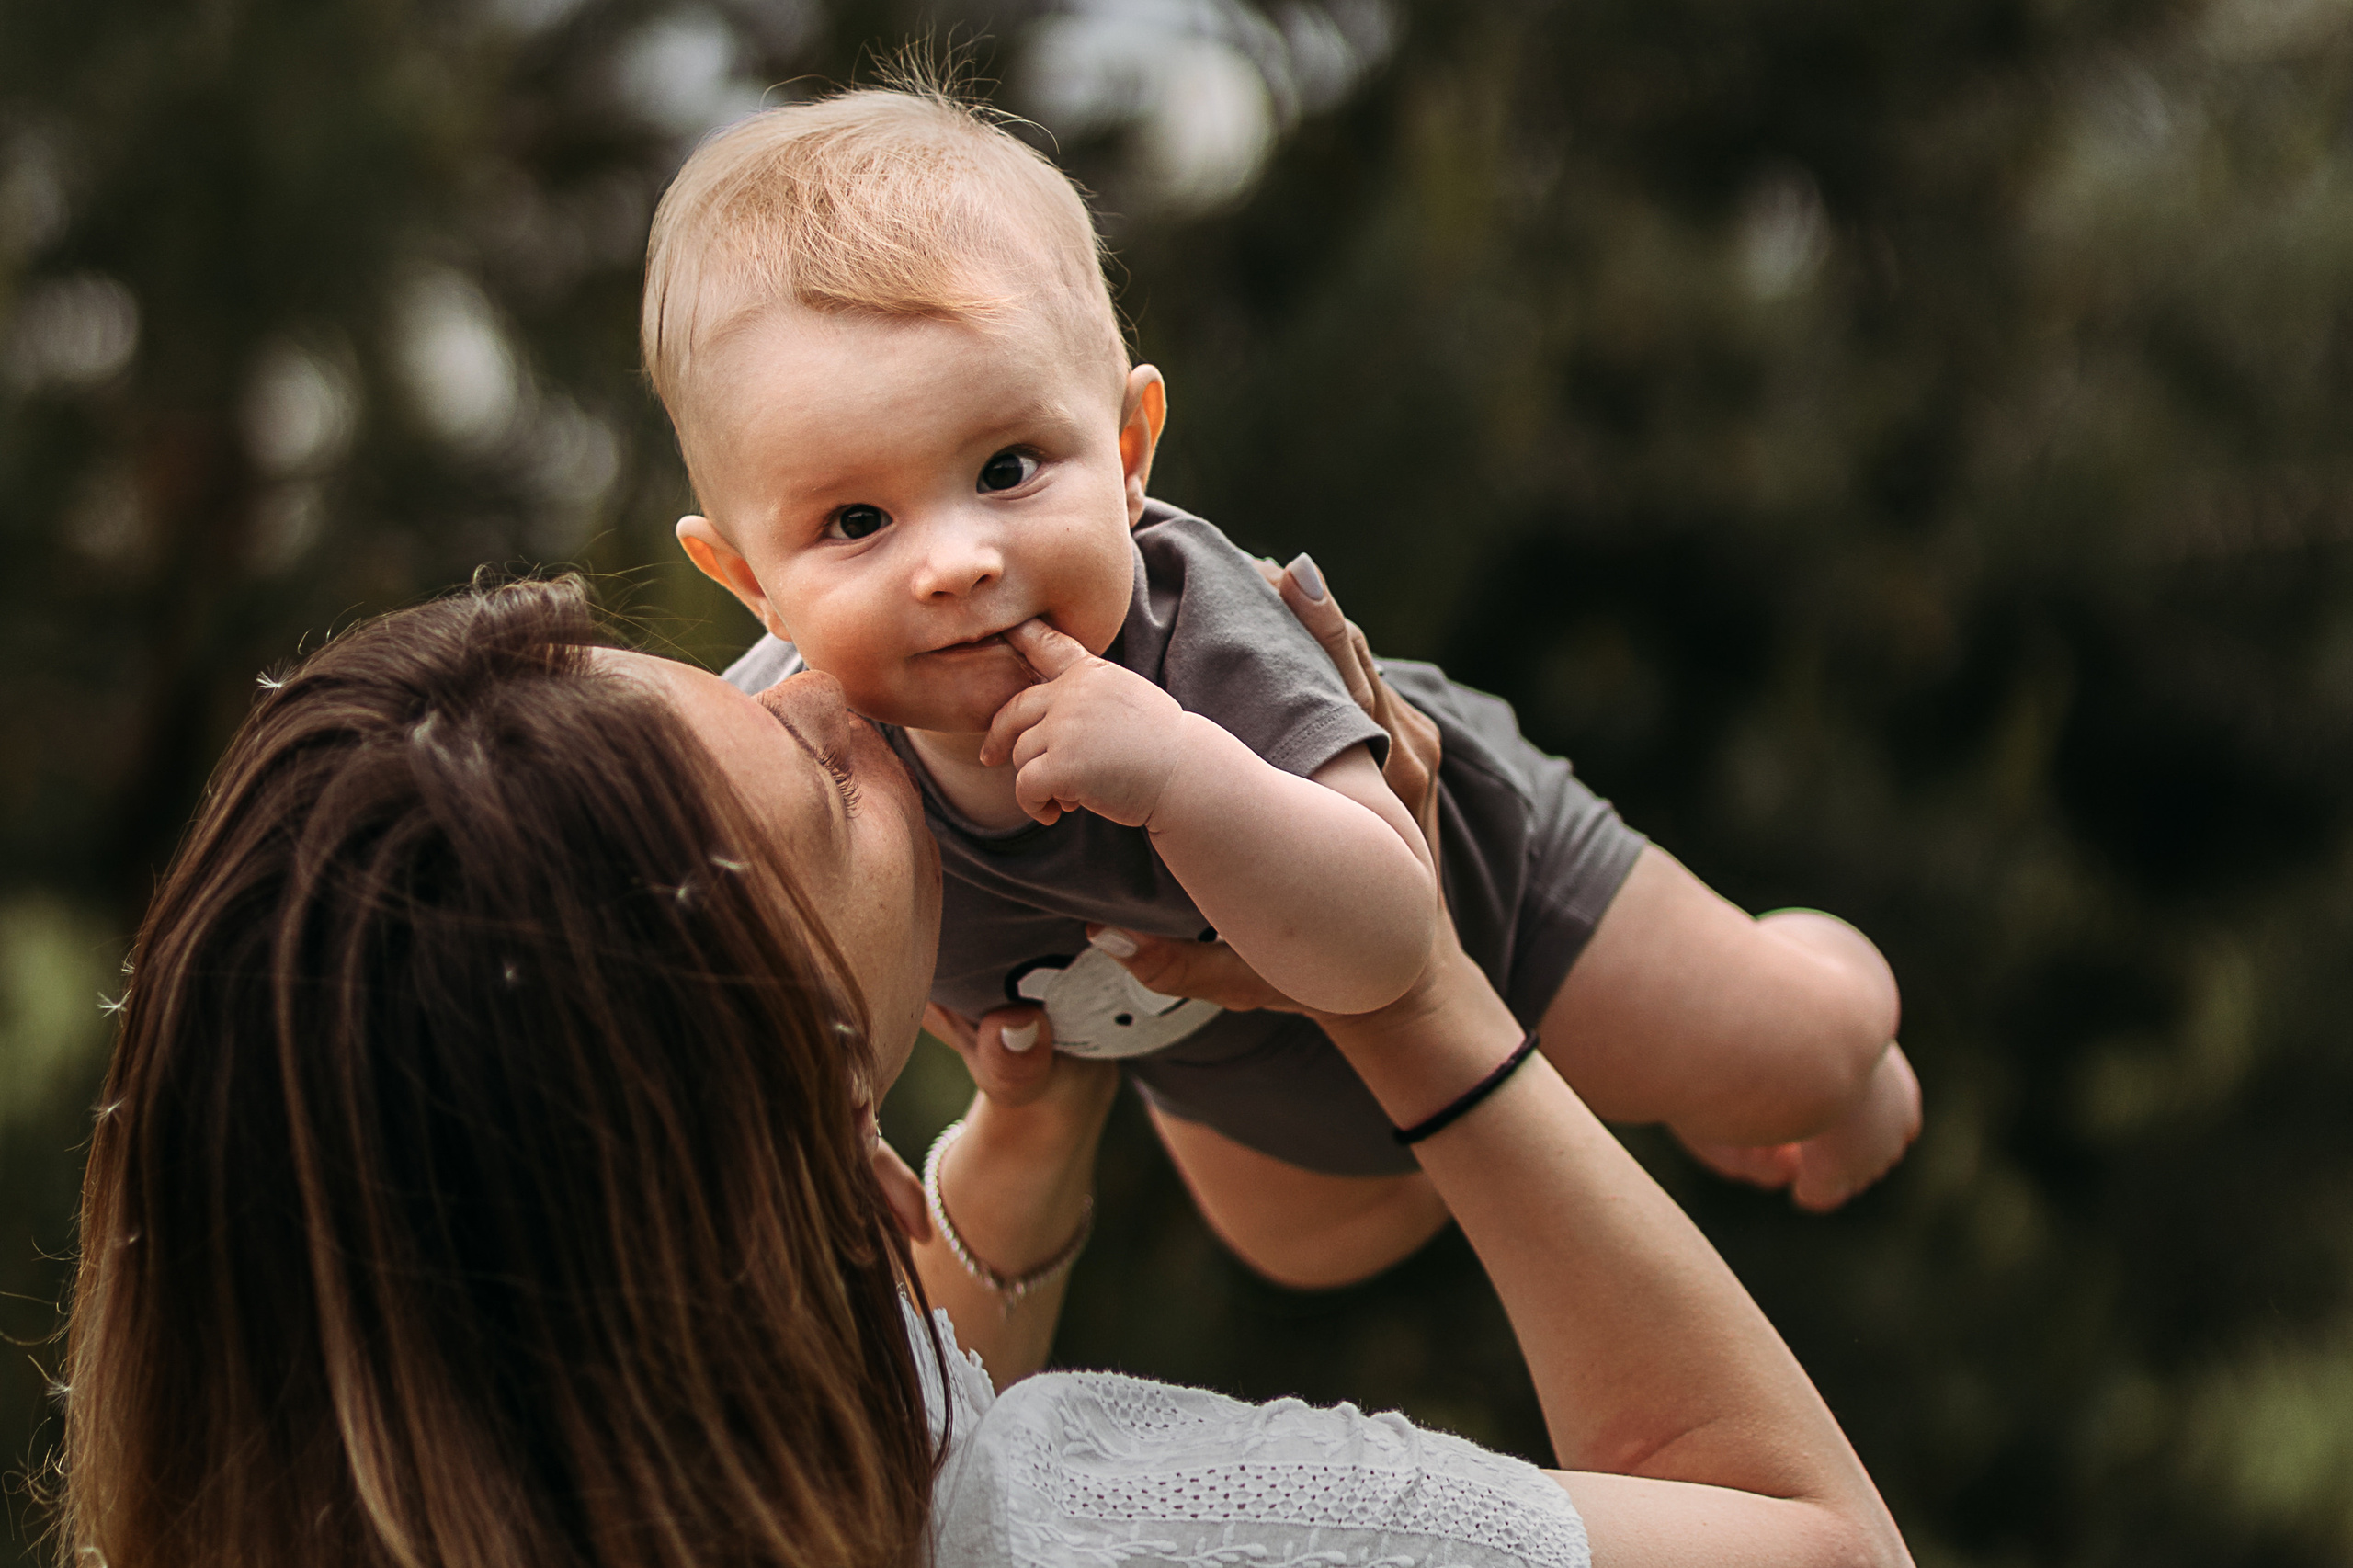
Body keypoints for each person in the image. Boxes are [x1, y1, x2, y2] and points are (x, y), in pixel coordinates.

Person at [61, 571, 1913, 1568]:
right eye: (816, 784)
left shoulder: (398, 1449)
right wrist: (1405, 985)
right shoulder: (1119, 1531)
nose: (828, 682)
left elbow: (842, 1456)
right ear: (754, 1131)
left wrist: (1020, 1143)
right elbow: (1809, 1550)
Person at [637, 82, 1921, 1288]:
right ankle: (1573, 1095)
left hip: (1493, 907)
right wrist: (804, 1097)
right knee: (1308, 1243)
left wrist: (1177, 771)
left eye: (1010, 466)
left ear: (1130, 452)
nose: (958, 562)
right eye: (857, 520)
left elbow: (1386, 932)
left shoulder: (1194, 632)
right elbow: (705, 945)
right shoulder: (793, 758)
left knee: (1795, 1059)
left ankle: (1823, 982)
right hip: (1226, 1060)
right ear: (751, 581)